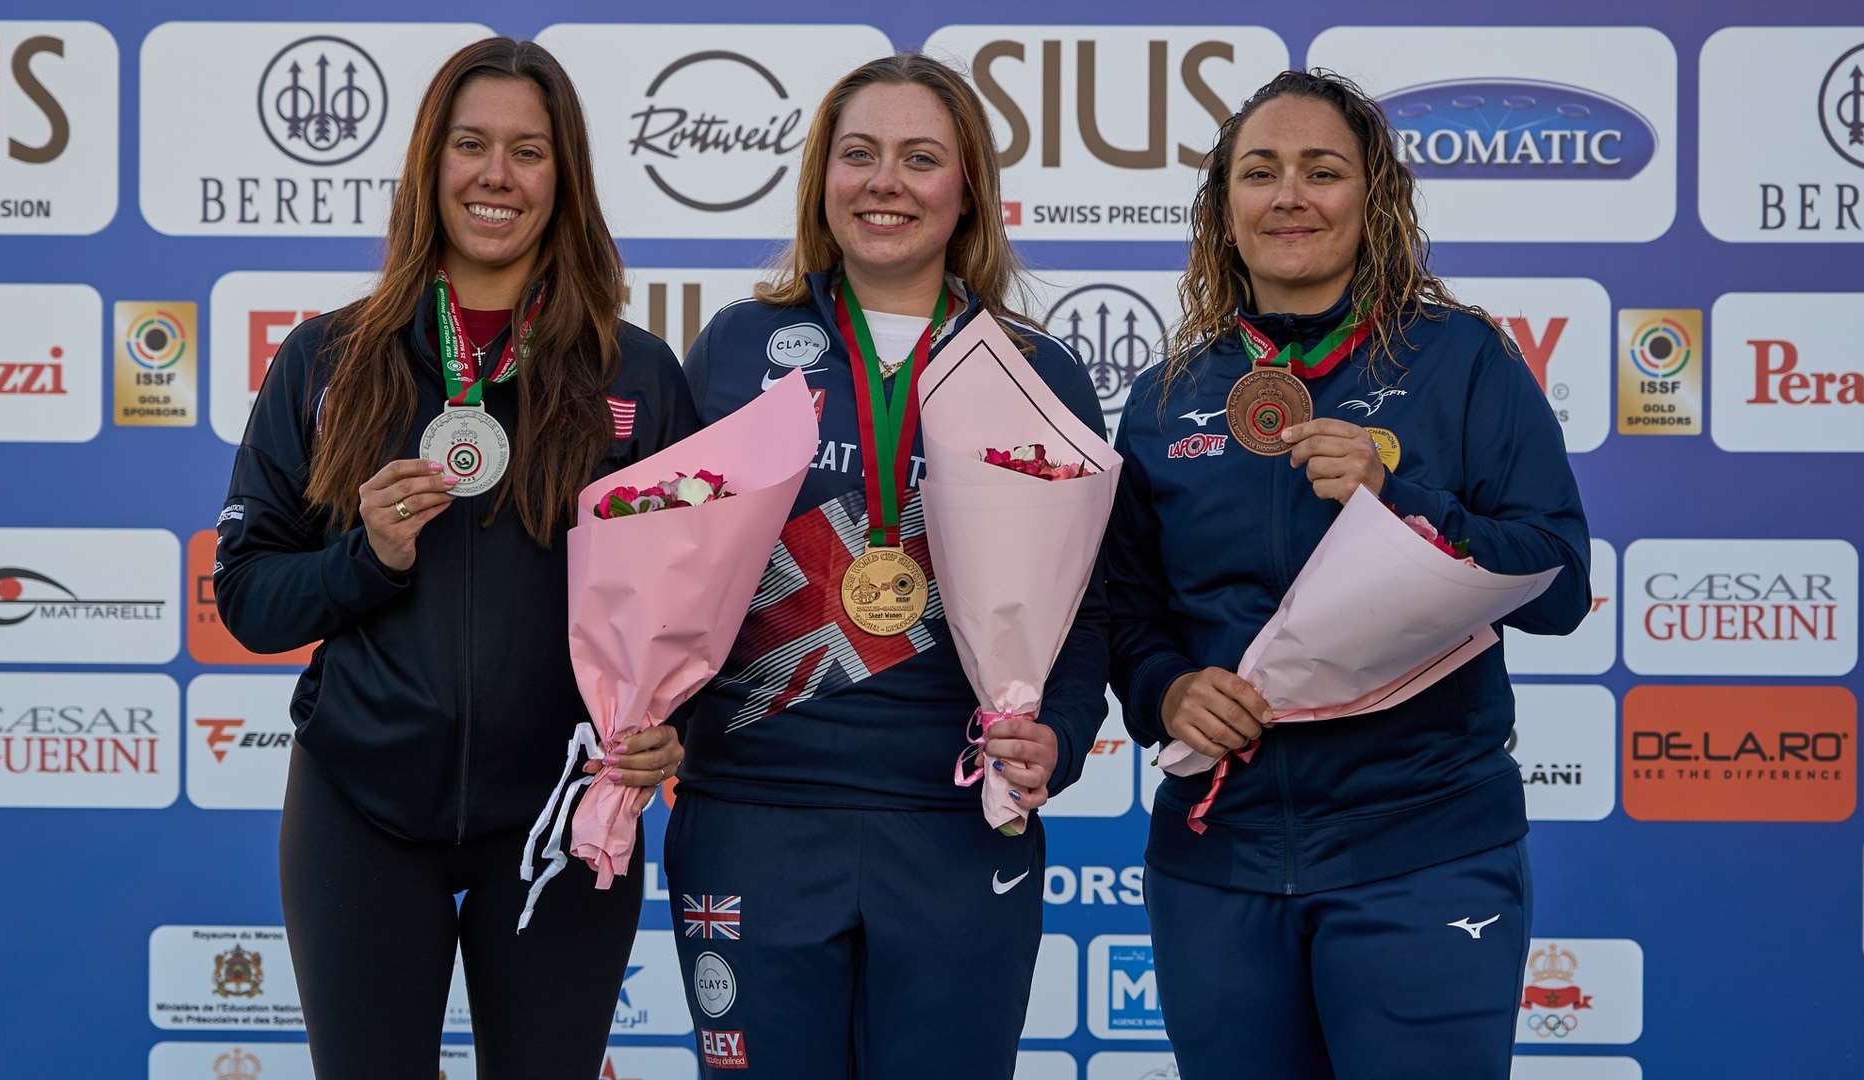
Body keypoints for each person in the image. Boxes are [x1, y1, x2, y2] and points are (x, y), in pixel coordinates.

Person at [213, 38, 698, 1078]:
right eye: (471, 144)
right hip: (362, 809)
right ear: (431, 162)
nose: (496, 175)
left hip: (565, 812)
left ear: (563, 179)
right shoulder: (327, 360)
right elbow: (249, 597)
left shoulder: (636, 374)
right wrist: (368, 555)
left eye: (529, 151)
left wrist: (676, 729)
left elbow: (700, 603)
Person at [1105, 69, 1591, 1078]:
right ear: (1222, 205)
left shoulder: (1463, 360)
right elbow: (1127, 612)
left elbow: (1560, 584)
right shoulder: (1162, 399)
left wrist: (1402, 503)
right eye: (1260, 172)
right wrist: (1168, 690)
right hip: (1219, 861)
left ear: (1373, 198)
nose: (1290, 196)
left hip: (1424, 851)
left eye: (1322, 171)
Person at [667, 53, 1109, 1079]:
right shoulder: (737, 347)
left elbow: (1088, 609)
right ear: (822, 177)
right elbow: (670, 572)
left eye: (920, 158)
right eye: (859, 154)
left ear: (969, 190)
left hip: (957, 820)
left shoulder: (1035, 370)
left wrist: (1061, 735)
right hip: (754, 819)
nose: (885, 183)